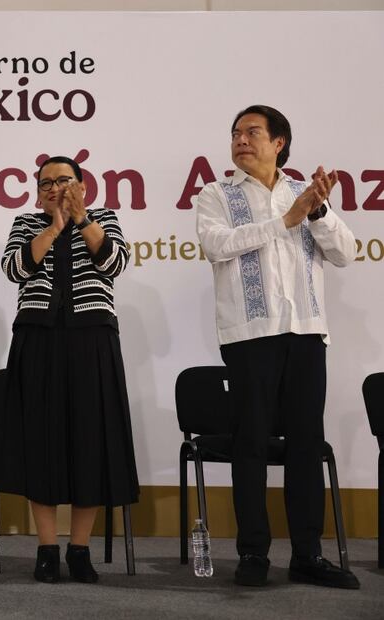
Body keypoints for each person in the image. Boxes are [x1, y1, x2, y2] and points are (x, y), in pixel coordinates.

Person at [196, 105, 359, 589]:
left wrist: (320, 211)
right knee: (251, 444)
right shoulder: (216, 193)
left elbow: (345, 253)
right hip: (250, 338)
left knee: (305, 445)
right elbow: (216, 245)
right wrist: (286, 220)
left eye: (252, 133)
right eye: (235, 134)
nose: (240, 140)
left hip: (307, 333)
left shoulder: (302, 194)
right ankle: (253, 554)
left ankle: (307, 554)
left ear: (279, 143)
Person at [0, 155, 139, 583]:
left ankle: (79, 549)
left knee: (89, 443)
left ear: (82, 186)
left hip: (91, 340)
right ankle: (45, 548)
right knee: (40, 442)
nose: (56, 187)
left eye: (64, 180)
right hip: (37, 340)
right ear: (38, 193)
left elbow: (114, 263)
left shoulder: (105, 219)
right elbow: (14, 268)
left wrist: (80, 219)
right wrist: (54, 226)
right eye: (47, 183)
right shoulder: (25, 224)